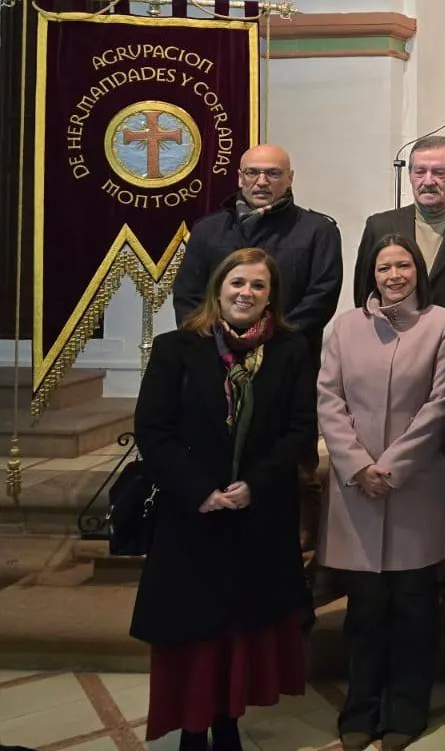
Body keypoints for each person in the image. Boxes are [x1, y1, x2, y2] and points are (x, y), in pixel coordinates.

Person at [131, 247, 317, 751]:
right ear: (218, 288)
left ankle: (228, 721)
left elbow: (300, 427)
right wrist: (201, 491)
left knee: (241, 630)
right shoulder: (177, 347)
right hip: (192, 517)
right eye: (238, 282)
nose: (246, 293)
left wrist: (256, 483)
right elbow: (152, 428)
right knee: (194, 629)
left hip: (257, 514)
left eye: (258, 286)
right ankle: (193, 727)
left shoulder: (290, 349)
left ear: (270, 297)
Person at [317, 233, 445, 751]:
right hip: (357, 490)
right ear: (371, 274)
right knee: (364, 612)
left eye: (403, 265)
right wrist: (358, 466)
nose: (394, 275)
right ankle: (360, 710)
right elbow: (329, 399)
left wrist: (393, 467)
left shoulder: (444, 323)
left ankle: (406, 710)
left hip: (416, 487)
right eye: (384, 268)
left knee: (414, 611)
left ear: (418, 271)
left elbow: (442, 403)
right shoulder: (343, 326)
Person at [174, 143, 343, 360]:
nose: (261, 182)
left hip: (288, 356)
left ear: (290, 178)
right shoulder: (207, 229)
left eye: (273, 173)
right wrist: (213, 338)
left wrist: (274, 340)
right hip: (215, 354)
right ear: (240, 177)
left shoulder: (319, 231)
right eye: (252, 172)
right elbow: (188, 295)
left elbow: (321, 298)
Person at [351, 136, 445, 317]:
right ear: (409, 176)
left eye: (439, 172)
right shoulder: (379, 227)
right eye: (420, 172)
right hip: (392, 340)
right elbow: (364, 296)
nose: (428, 181)